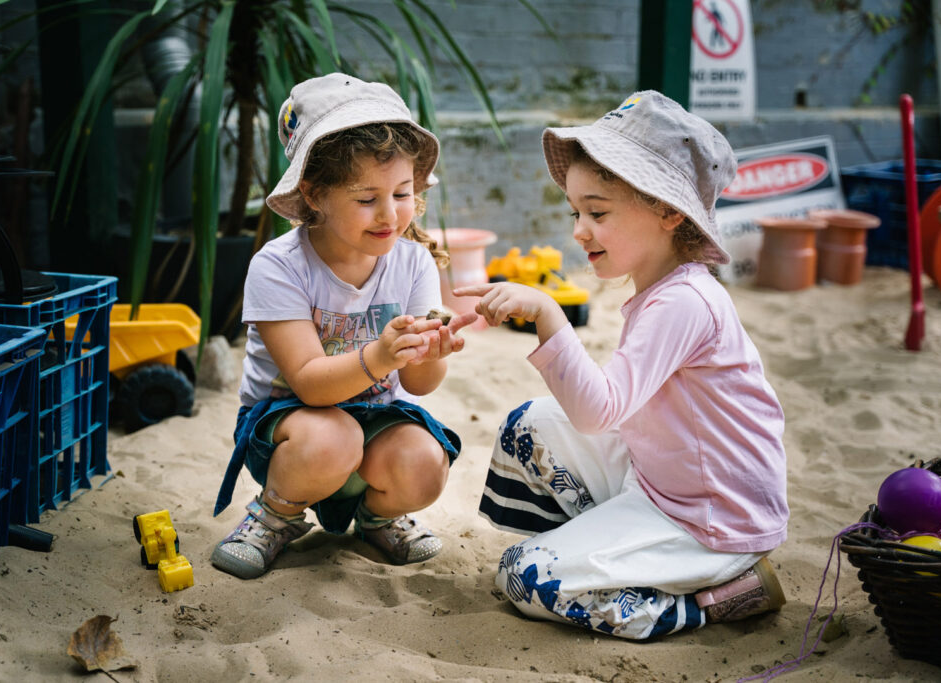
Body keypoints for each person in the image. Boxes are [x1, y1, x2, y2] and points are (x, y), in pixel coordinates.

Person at [454, 91, 789, 639]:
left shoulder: (684, 302)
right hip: (661, 478)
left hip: (711, 519)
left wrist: (546, 313)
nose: (579, 230)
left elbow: (598, 411)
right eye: (576, 211)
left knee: (523, 576)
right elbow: (608, 410)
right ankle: (599, 557)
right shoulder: (658, 289)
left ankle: (713, 598)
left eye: (598, 212)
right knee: (528, 427)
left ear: (668, 211)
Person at [211, 73, 476, 580]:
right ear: (314, 194)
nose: (389, 215)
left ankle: (377, 518)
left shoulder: (414, 262)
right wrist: (380, 355)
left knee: (425, 462)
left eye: (402, 193)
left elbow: (418, 386)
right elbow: (308, 383)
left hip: (374, 417)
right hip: (291, 428)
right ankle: (275, 516)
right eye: (365, 198)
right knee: (332, 439)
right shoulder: (279, 265)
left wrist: (431, 352)